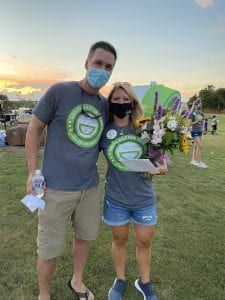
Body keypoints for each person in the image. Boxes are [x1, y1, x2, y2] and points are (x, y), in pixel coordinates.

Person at [25, 41, 117, 300]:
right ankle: (44, 295)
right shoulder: (58, 92)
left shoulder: (103, 105)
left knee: (84, 239)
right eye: (98, 63)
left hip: (89, 189)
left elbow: (112, 137)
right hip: (54, 190)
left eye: (108, 67)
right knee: (48, 249)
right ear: (86, 63)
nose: (102, 70)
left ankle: (77, 281)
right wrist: (32, 172)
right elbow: (33, 130)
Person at [100, 83, 167, 300]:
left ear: (132, 102)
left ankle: (144, 282)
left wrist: (163, 166)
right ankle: (120, 279)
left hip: (143, 198)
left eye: (125, 99)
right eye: (116, 99)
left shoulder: (144, 127)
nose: (121, 103)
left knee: (144, 242)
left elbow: (161, 157)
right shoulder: (104, 130)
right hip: (116, 199)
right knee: (119, 241)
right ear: (110, 102)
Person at [188, 101, 208, 168]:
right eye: (199, 104)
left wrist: (202, 120)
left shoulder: (201, 113)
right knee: (200, 146)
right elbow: (190, 124)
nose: (200, 105)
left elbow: (202, 122)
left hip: (200, 131)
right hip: (194, 131)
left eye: (201, 104)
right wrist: (197, 120)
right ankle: (199, 162)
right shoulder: (192, 114)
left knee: (196, 147)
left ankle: (193, 161)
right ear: (195, 105)